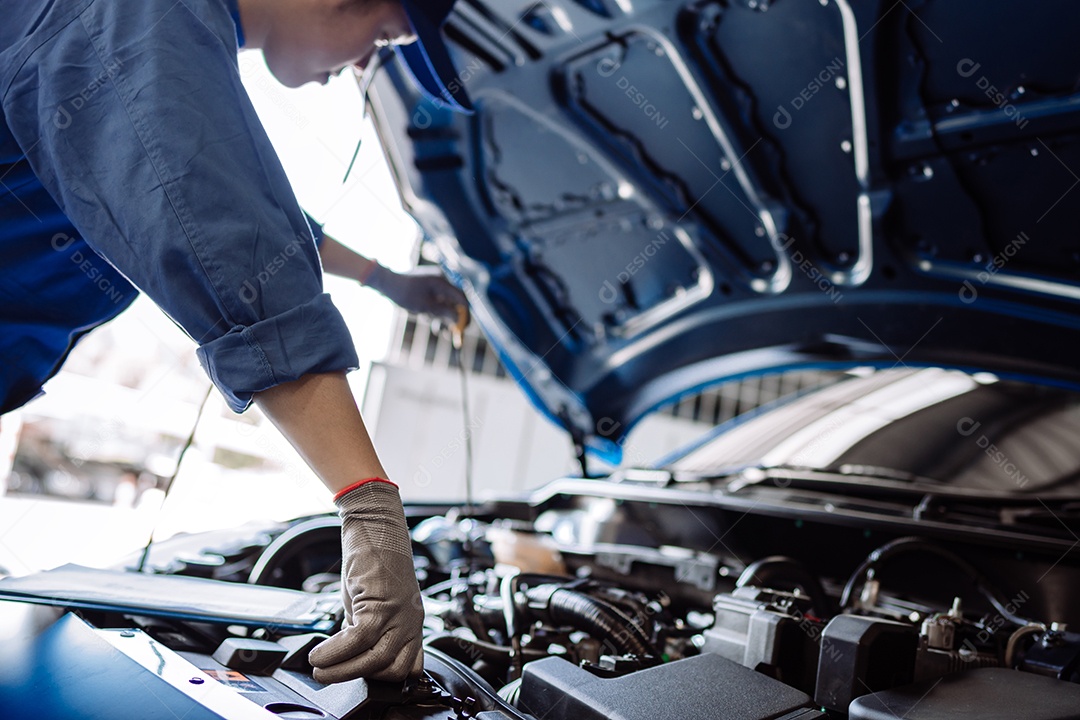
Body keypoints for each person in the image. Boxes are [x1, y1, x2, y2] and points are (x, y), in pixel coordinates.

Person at [1, 0, 471, 683]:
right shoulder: (137, 19)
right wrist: (366, 502)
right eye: (386, 35)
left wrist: (385, 280)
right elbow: (214, 221)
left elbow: (238, 207)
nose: (367, 64)